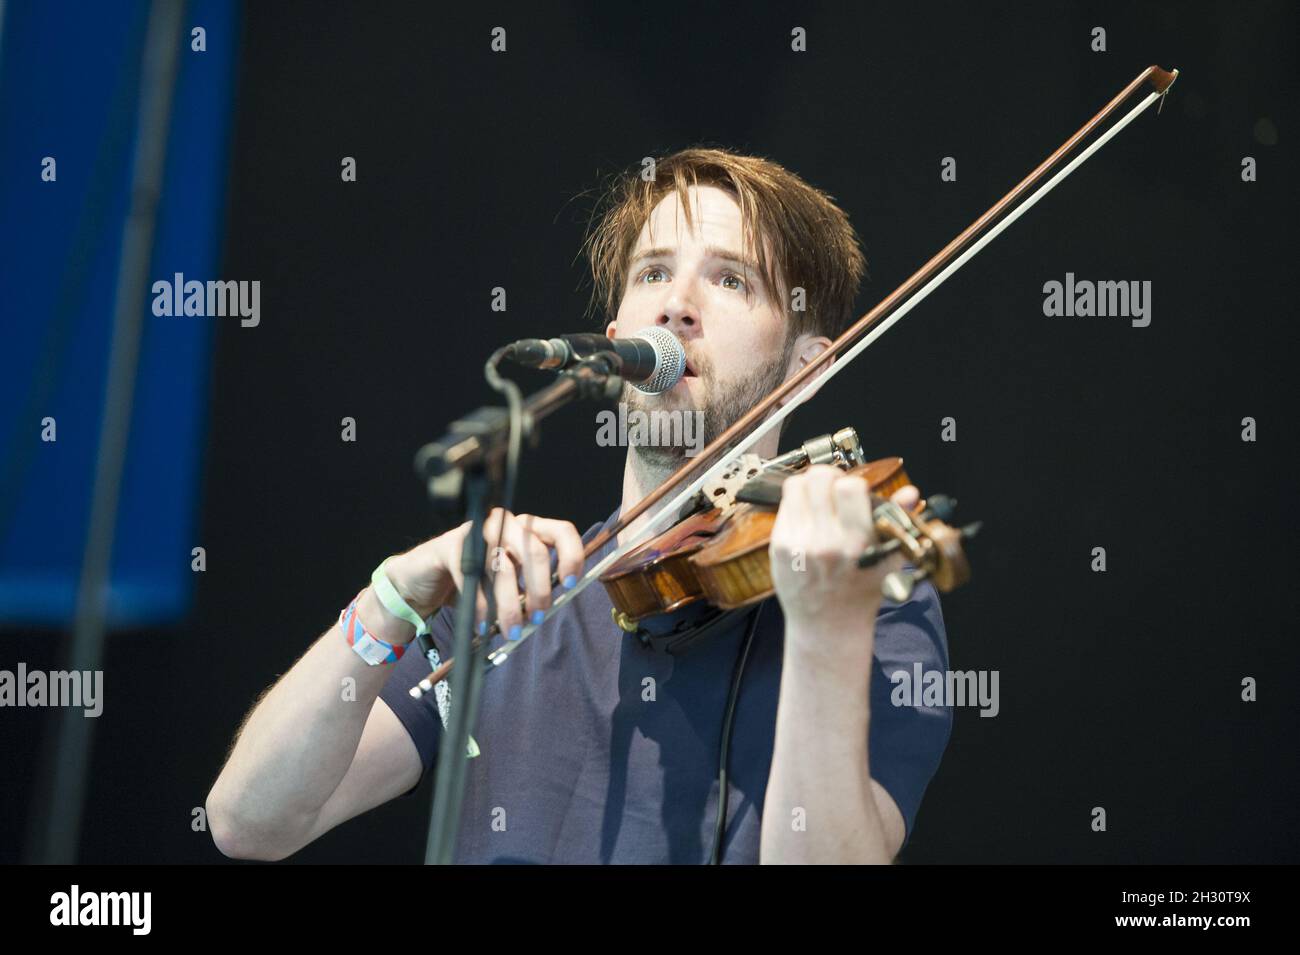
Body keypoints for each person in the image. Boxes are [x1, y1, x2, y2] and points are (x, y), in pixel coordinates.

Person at [206, 148, 953, 864]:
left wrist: (824, 631)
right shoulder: (515, 594)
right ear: (614, 343)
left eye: (730, 280)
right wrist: (388, 601)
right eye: (654, 272)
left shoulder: (874, 598)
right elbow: (249, 823)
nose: (677, 305)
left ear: (807, 368)